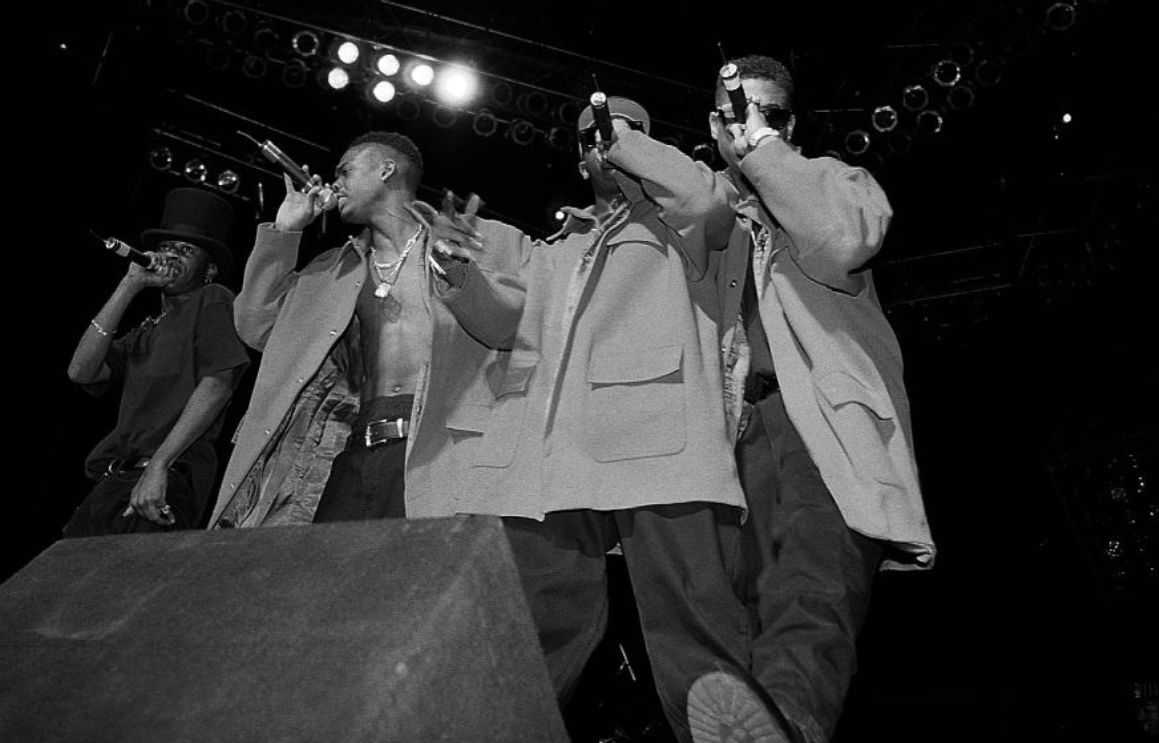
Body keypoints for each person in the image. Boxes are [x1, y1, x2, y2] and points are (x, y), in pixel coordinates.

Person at [419, 97, 752, 742]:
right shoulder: (551, 250)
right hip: (549, 455)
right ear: (578, 159)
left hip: (658, 442)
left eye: (628, 133)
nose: (607, 143)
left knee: (694, 628)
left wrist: (625, 140)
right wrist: (457, 271)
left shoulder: (686, 223)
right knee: (530, 631)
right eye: (594, 138)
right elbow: (504, 324)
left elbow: (706, 201)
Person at [683, 55, 937, 743]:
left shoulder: (829, 181)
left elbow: (842, 238)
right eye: (735, 114)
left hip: (816, 419)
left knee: (811, 581)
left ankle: (788, 721)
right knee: (730, 618)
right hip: (723, 441)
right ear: (711, 124)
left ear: (789, 124)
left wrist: (763, 149)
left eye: (768, 113)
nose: (748, 124)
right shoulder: (696, 212)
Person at [208, 131, 518, 528]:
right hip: (353, 449)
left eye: (345, 171)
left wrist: (459, 269)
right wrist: (284, 232)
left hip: (446, 447)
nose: (334, 183)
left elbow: (517, 330)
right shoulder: (331, 270)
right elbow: (257, 326)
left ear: (386, 169)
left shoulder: (471, 243)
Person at [64, 187, 250, 537]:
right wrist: (129, 285)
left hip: (164, 474)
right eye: (165, 248)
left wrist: (159, 466)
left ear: (208, 269)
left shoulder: (212, 299)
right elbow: (81, 371)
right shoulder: (147, 329)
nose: (170, 256)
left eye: (185, 250)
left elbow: (218, 384)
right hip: (117, 479)